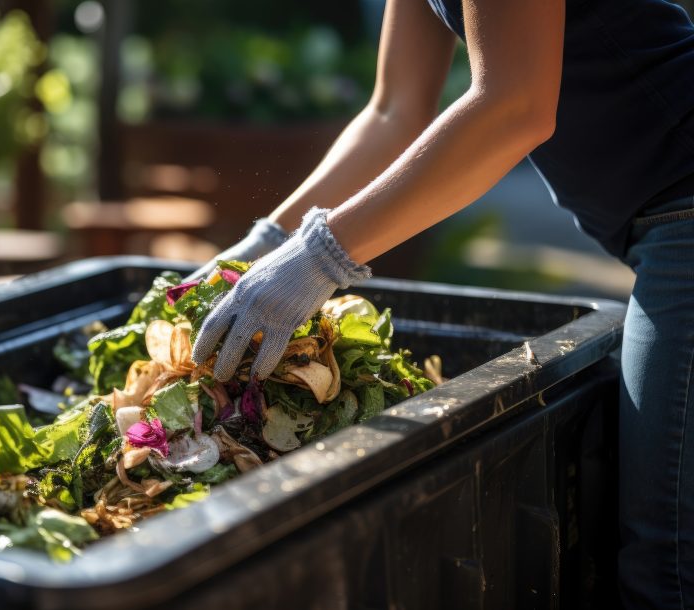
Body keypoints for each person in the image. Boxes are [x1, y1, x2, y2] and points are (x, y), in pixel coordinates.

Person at [188, 0, 694, 606]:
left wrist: (319, 258)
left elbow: (514, 106)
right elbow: (393, 113)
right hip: (660, 226)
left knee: (666, 567)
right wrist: (270, 238)